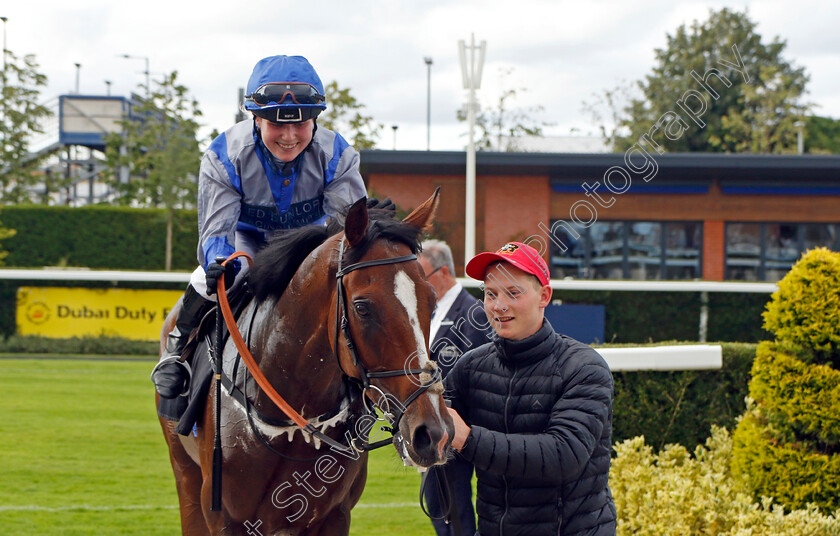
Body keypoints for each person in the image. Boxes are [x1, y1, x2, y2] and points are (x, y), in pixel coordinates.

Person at [151, 55, 366, 398]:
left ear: (315, 120)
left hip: (309, 239)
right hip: (247, 239)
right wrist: (220, 261)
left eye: (301, 124)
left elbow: (348, 226)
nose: (290, 136)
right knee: (225, 273)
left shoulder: (339, 154)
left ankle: (368, 377)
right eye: (277, 125)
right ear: (255, 117)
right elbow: (217, 231)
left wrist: (368, 227)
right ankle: (178, 352)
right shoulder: (223, 155)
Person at [445, 241, 616, 536]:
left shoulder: (584, 368)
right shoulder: (470, 367)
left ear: (544, 296)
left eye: (513, 293)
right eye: (490, 294)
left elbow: (564, 455)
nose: (499, 305)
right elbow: (429, 429)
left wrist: (468, 439)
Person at [418, 239, 491, 536]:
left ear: (444, 272)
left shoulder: (475, 313)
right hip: (428, 425)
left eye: (422, 276)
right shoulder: (425, 312)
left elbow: (482, 374)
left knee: (454, 507)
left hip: (458, 428)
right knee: (437, 503)